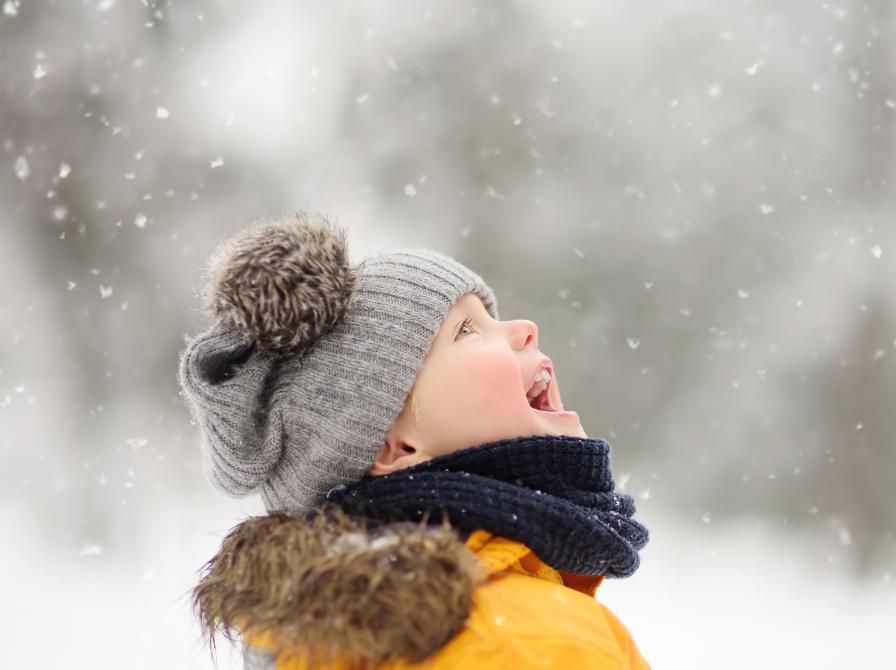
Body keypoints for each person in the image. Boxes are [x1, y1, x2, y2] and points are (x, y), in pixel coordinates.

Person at [177, 211, 651, 669]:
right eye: (467, 331)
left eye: (489, 318)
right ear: (395, 448)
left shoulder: (339, 645)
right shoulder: (528, 643)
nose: (526, 329)